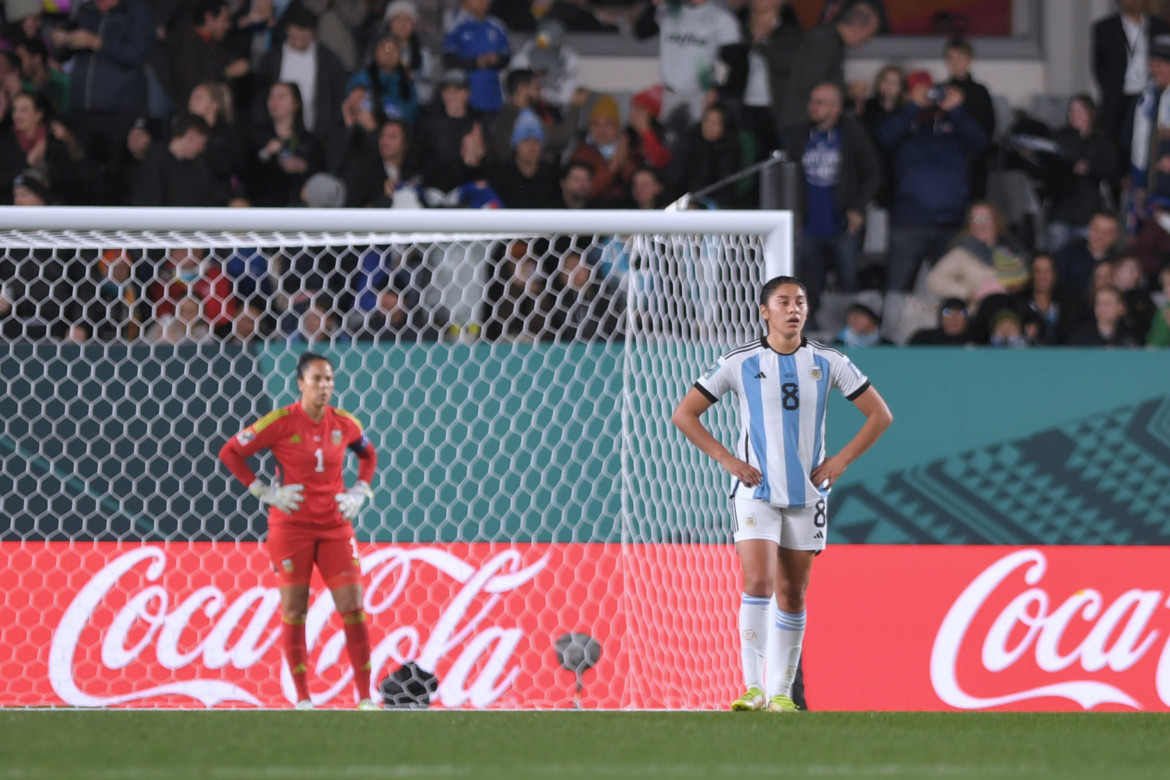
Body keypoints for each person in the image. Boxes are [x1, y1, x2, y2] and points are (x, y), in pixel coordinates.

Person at [671, 274, 892, 712]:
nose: (794, 310)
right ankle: (752, 689)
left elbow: (879, 416)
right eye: (784, 302)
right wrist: (728, 460)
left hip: (807, 497)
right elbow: (685, 414)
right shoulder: (739, 362)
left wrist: (841, 461)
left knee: (793, 595)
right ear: (763, 311)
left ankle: (780, 694)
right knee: (757, 581)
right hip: (756, 492)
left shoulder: (829, 361)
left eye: (801, 302)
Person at [218, 352, 379, 710]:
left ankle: (366, 698)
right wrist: (262, 490)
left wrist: (360, 490)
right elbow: (230, 451)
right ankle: (303, 698)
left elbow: (369, 456)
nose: (325, 387)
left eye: (329, 380)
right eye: (317, 379)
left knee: (353, 606)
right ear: (300, 383)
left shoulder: (345, 424)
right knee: (295, 608)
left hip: (336, 527)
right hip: (291, 528)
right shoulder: (281, 422)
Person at [878, 70, 988, 292]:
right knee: (896, 293)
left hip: (950, 223)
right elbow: (883, 138)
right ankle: (890, 329)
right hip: (908, 223)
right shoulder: (902, 120)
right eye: (920, 91)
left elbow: (980, 142)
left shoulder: (953, 122)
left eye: (930, 90)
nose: (927, 96)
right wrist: (913, 107)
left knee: (951, 291)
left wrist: (955, 110)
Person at [781, 81, 881, 324]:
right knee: (807, 286)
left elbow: (874, 172)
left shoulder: (852, 132)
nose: (813, 107)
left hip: (842, 225)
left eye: (820, 102)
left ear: (836, 108)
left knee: (848, 282)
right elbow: (785, 176)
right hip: (808, 225)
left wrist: (858, 208)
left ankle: (850, 336)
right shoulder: (799, 135)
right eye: (812, 101)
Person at [1092, 0, 1169, 167]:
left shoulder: (1159, 25)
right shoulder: (1105, 28)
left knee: (1148, 141)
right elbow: (1099, 66)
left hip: (1150, 94)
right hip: (1118, 98)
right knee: (1117, 147)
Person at [907, 296, 971, 345]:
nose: (953, 318)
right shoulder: (923, 338)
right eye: (947, 312)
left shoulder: (975, 341)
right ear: (940, 317)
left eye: (960, 313)